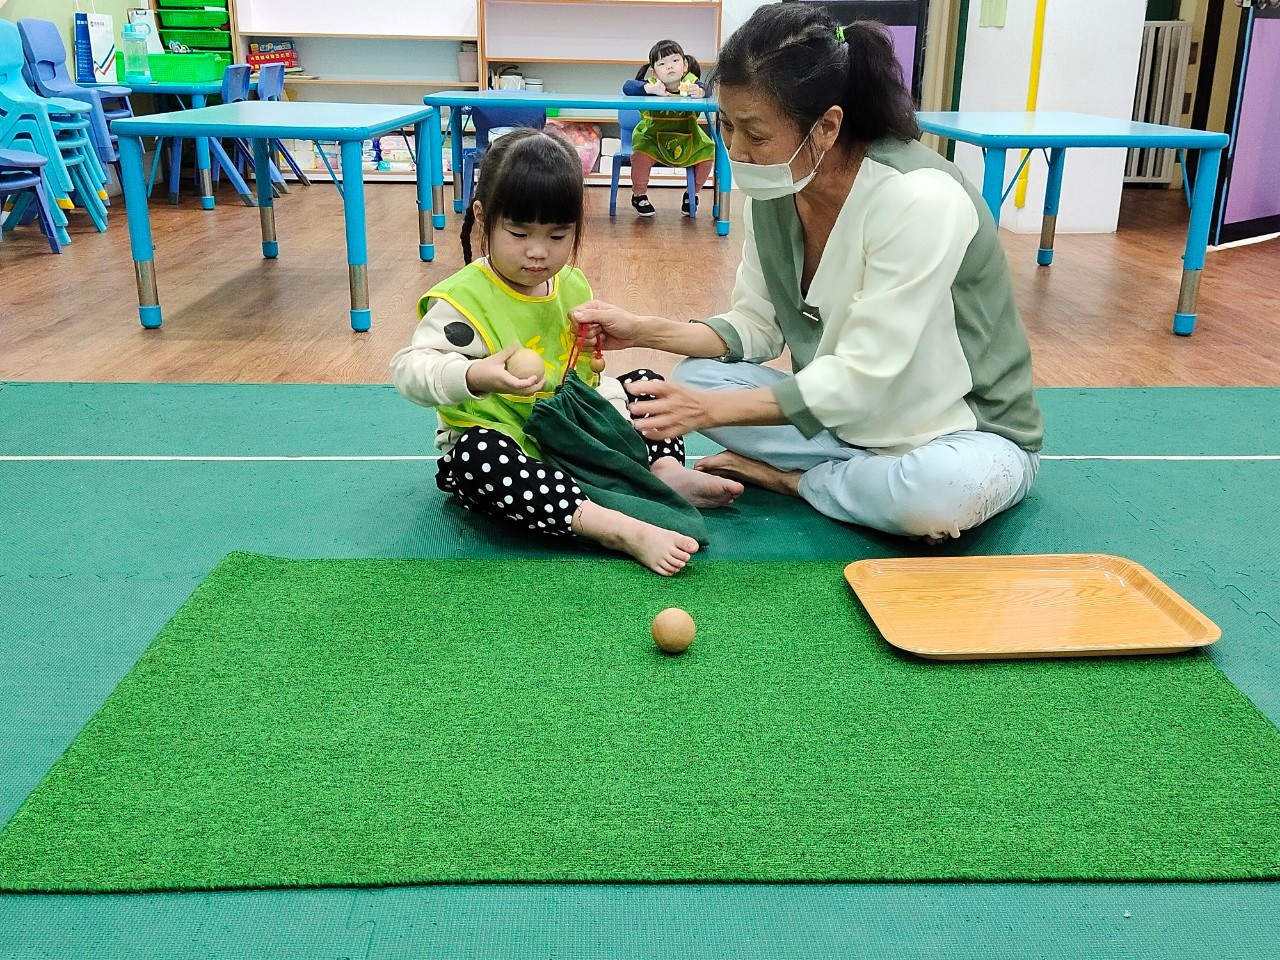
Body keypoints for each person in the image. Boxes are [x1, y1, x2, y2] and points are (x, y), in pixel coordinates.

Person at [575, 4, 1044, 544]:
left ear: (826, 127)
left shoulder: (919, 198)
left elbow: (864, 375)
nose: (735, 150)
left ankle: (795, 481)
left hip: (962, 437)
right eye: (726, 125)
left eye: (755, 134)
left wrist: (709, 412)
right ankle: (860, 482)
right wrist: (641, 330)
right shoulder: (778, 189)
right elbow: (755, 327)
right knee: (691, 379)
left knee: (934, 497)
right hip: (844, 423)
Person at [389, 128, 742, 575]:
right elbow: (409, 369)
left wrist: (602, 382)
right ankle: (611, 526)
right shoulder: (464, 301)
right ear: (482, 217)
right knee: (476, 457)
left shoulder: (572, 286)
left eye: (558, 236)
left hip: (571, 436)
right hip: (511, 447)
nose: (538, 253)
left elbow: (588, 382)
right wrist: (473, 376)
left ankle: (664, 472)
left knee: (647, 385)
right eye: (519, 233)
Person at [622, 40, 717, 218]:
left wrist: (701, 92)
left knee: (708, 153)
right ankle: (639, 195)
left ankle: (692, 193)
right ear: (654, 72)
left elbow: (708, 89)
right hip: (652, 139)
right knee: (640, 155)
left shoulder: (691, 83)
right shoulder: (652, 85)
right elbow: (628, 87)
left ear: (685, 65)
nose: (670, 66)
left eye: (675, 61)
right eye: (662, 64)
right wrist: (649, 89)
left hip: (688, 137)